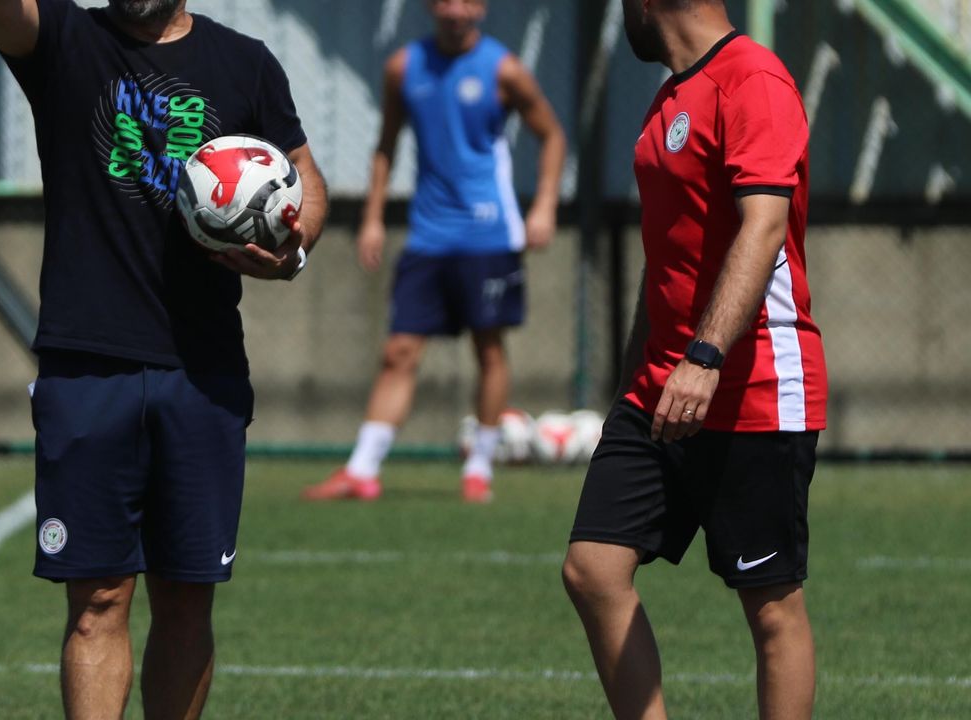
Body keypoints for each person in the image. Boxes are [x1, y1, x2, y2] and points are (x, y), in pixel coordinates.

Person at [0, 1, 327, 718]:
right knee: (97, 601)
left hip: (204, 373)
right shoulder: (66, 41)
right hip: (87, 367)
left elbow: (305, 180)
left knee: (187, 599)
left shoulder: (246, 63)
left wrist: (292, 251)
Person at [561, 1, 827, 718]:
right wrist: (632, 378)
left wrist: (704, 358)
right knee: (592, 570)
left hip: (755, 387)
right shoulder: (671, 96)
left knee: (770, 605)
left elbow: (763, 227)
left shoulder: (754, 80)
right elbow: (667, 255)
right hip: (659, 385)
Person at [301, 0, 566, 504]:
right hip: (428, 235)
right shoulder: (404, 67)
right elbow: (385, 146)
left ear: (481, 7)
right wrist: (372, 218)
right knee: (398, 351)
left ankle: (480, 467)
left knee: (489, 348)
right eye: (445, 0)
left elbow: (551, 135)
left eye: (465, 1)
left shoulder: (504, 69)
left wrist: (546, 205)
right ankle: (362, 470)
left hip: (489, 234)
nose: (454, 10)